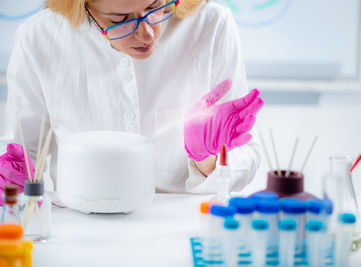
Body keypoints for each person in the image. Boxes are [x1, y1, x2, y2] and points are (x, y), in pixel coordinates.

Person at [0, 0, 263, 200]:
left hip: (181, 228)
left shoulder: (211, 24)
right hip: (80, 228)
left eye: (155, 6)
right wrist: (10, 180)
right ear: (84, 6)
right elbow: (21, 153)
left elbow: (246, 154)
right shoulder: (40, 38)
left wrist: (207, 157)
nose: (148, 33)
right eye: (120, 18)